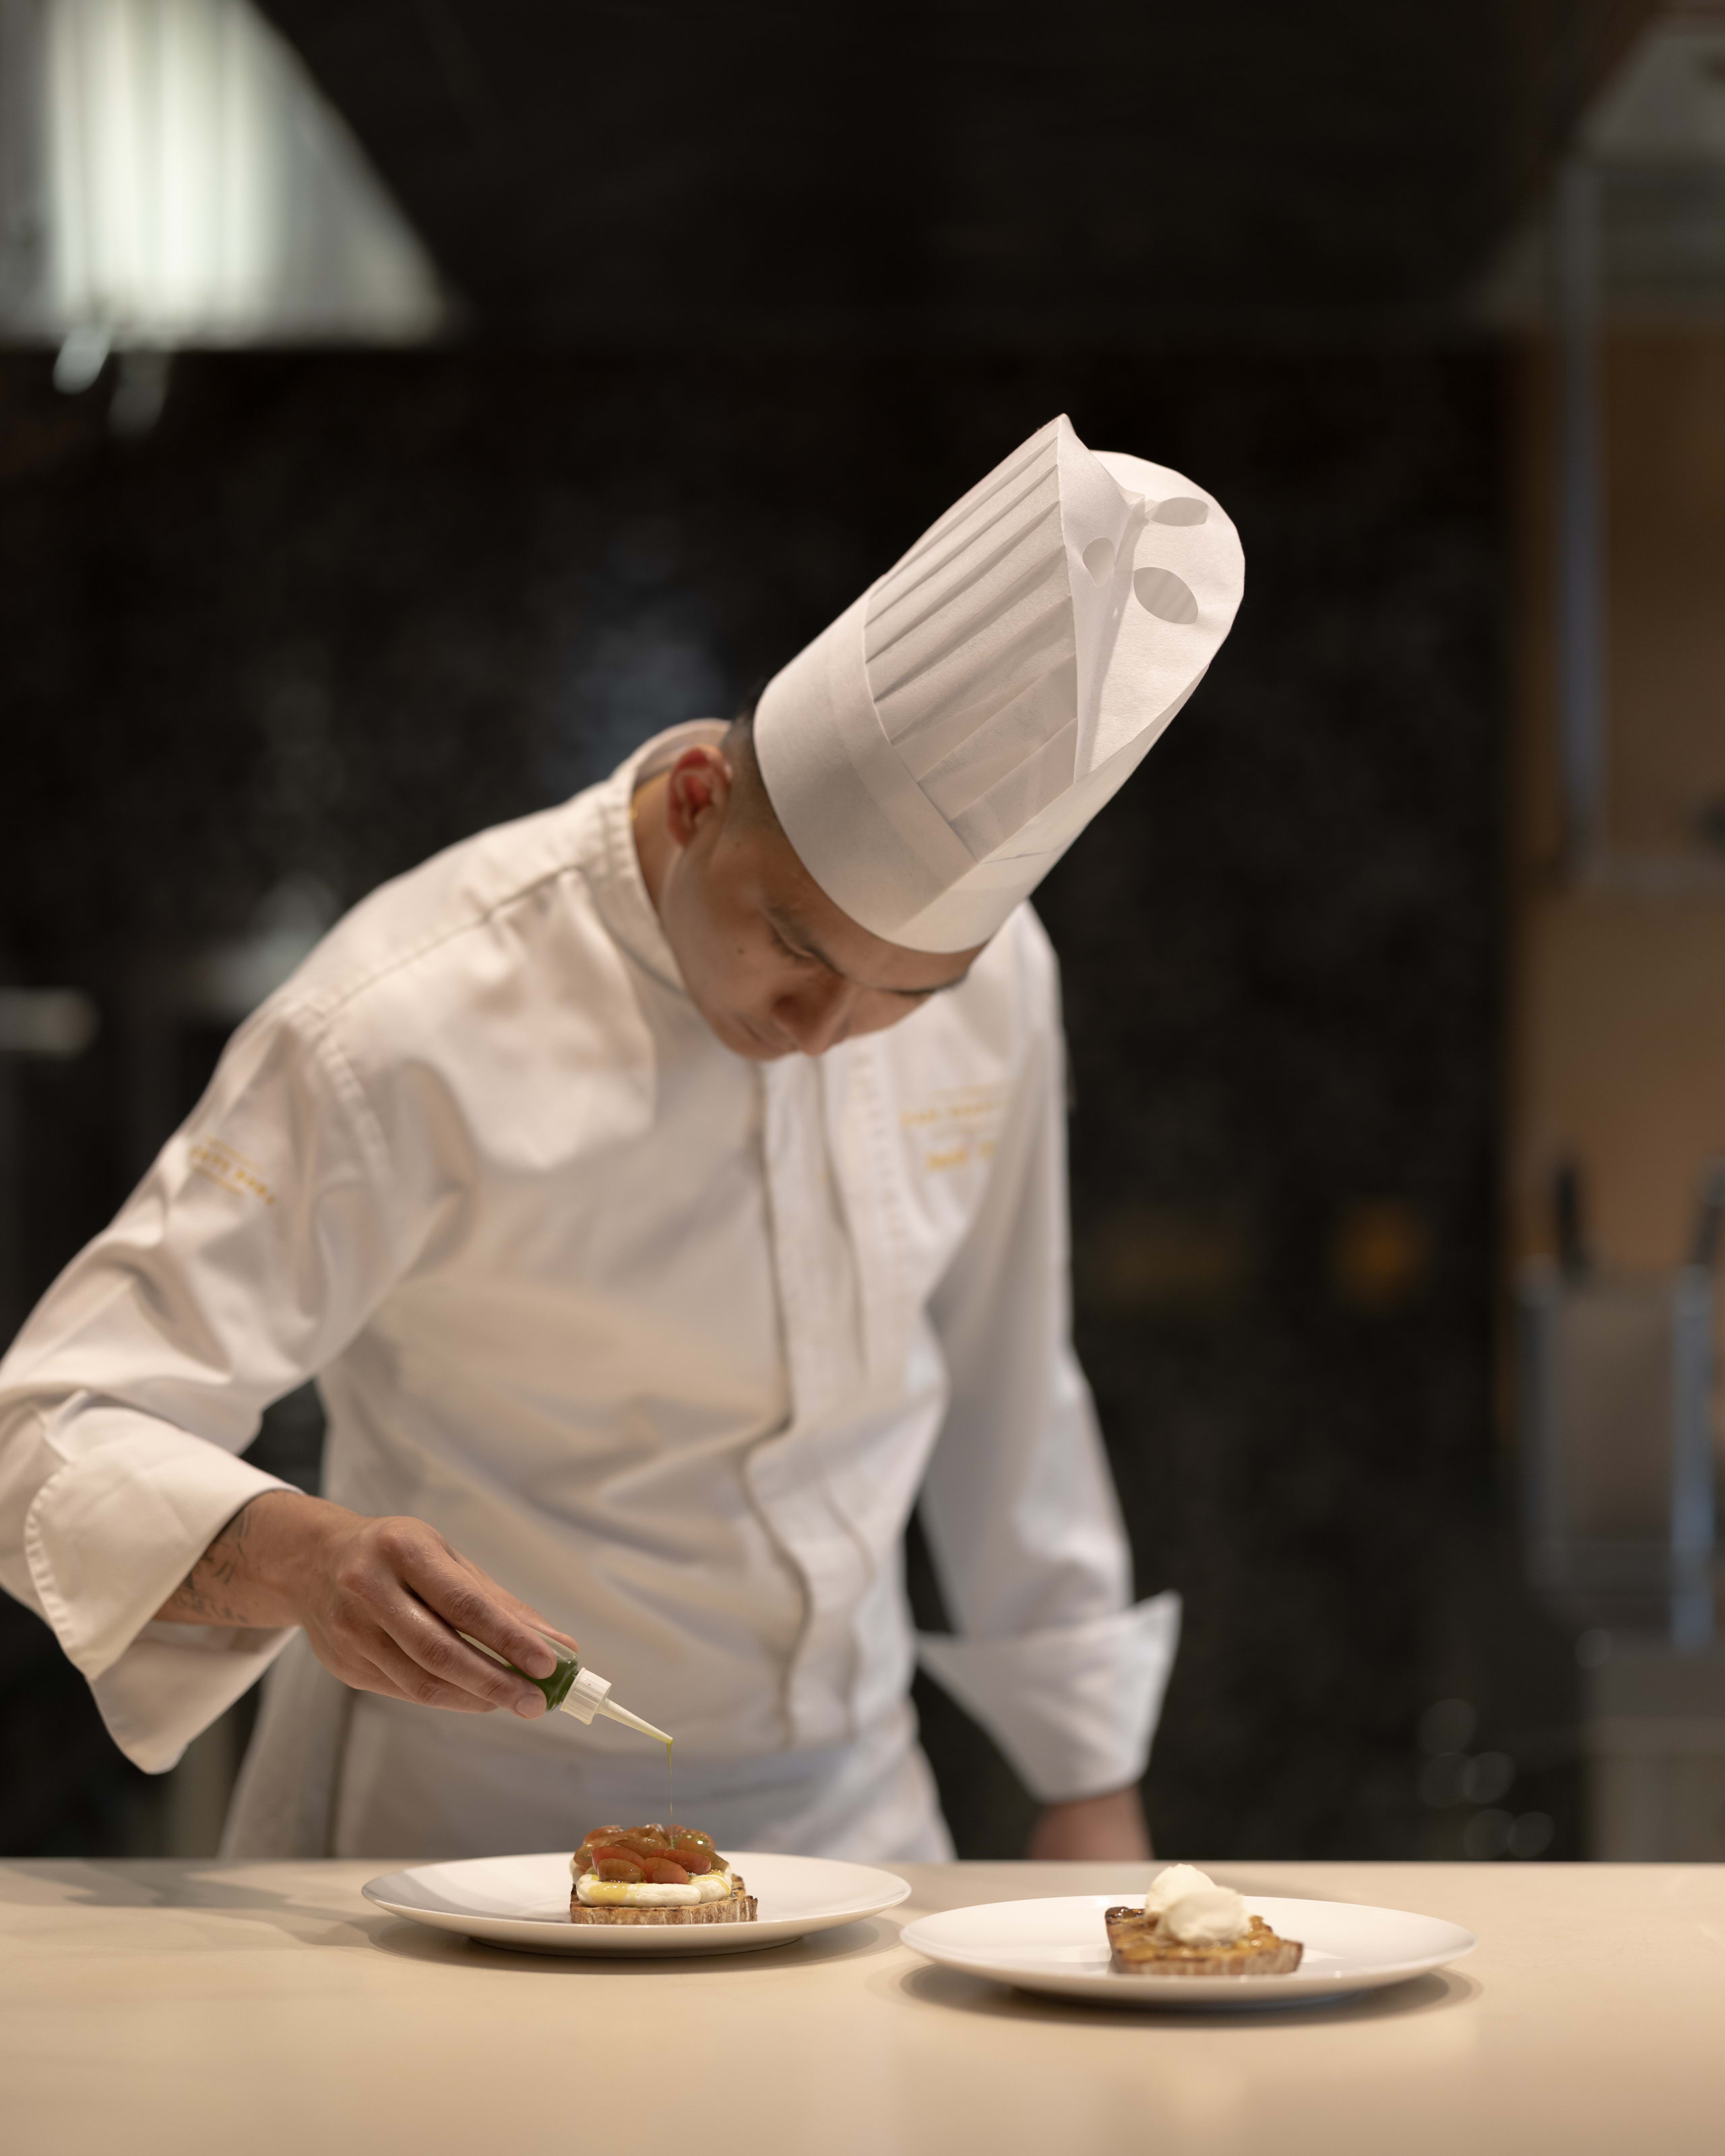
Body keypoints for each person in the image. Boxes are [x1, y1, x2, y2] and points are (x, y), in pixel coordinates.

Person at [0, 415, 1244, 1862]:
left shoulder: (1004, 978)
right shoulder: (399, 1021)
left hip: (855, 1828)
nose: (820, 1031)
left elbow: (1005, 1370)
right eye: (790, 947)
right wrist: (307, 1560)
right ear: (704, 798)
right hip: (460, 1842)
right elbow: (52, 1429)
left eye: (900, 996)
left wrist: (1086, 1776)